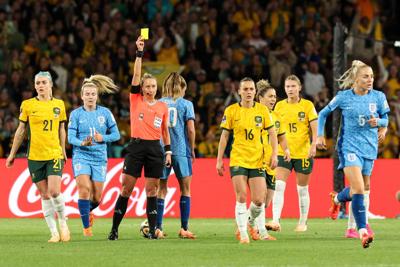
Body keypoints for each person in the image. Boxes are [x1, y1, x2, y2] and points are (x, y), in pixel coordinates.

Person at [317, 60, 389, 248]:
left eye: (372, 76)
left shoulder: (379, 97)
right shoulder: (343, 97)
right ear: (355, 79)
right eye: (366, 76)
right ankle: (362, 231)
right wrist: (319, 135)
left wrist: (381, 126)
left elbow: (385, 119)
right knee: (358, 188)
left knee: (362, 188)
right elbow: (323, 114)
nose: (370, 79)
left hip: (369, 147)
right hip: (349, 147)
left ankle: (336, 199)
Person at [108, 36, 171, 240]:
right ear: (142, 88)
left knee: (152, 190)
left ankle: (152, 231)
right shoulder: (135, 99)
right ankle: (114, 230)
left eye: (153, 86)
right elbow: (136, 73)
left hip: (155, 149)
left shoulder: (162, 106)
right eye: (147, 86)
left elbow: (164, 131)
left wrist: (168, 150)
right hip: (136, 147)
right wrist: (139, 53)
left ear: (156, 88)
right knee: (126, 187)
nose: (151, 89)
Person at [6, 71, 70, 243]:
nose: (40, 86)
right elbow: (21, 130)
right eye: (37, 83)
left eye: (43, 83)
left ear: (50, 85)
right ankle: (54, 233)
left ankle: (63, 223)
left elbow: (61, 129)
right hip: (34, 156)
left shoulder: (59, 104)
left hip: (54, 153)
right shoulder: (27, 105)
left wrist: (63, 149)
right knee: (44, 195)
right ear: (35, 86)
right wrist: (12, 153)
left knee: (54, 191)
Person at [216, 77, 279, 244]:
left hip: (258, 160)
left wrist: (274, 155)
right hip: (238, 158)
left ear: (255, 92)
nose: (249, 92)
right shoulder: (231, 111)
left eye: (251, 89)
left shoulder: (262, 111)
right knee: (242, 196)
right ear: (239, 92)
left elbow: (273, 134)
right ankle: (243, 234)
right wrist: (219, 159)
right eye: (245, 89)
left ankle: (248, 223)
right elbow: (224, 137)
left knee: (259, 201)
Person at [68, 75, 120, 237]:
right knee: (84, 189)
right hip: (81, 156)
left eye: (93, 94)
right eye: (87, 94)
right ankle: (86, 229)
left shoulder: (105, 113)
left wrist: (102, 138)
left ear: (97, 96)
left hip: (99, 158)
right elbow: (70, 138)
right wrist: (82, 143)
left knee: (97, 198)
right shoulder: (76, 114)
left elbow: (116, 135)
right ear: (82, 96)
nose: (90, 96)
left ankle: (87, 211)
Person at [268, 75, 318, 232]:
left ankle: (303, 222)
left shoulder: (307, 105)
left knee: (302, 189)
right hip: (284, 152)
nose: (290, 89)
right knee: (279, 186)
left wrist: (313, 144)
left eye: (293, 86)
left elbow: (314, 126)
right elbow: (273, 129)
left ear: (299, 88)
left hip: (303, 153)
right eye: (287, 86)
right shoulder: (279, 106)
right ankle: (276, 220)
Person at [156, 72, 196, 239]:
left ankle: (157, 228)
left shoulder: (158, 104)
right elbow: (191, 129)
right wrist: (192, 149)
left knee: (161, 190)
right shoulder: (186, 104)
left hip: (161, 150)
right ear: (183, 87)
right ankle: (184, 228)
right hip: (181, 150)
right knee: (185, 189)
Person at [254, 79, 290, 231]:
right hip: (256, 160)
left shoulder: (276, 117)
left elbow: (281, 136)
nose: (273, 99)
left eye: (275, 96)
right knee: (260, 199)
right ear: (260, 98)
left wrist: (286, 150)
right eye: (270, 96)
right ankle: (260, 230)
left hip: (272, 162)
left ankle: (248, 220)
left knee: (267, 201)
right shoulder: (253, 113)